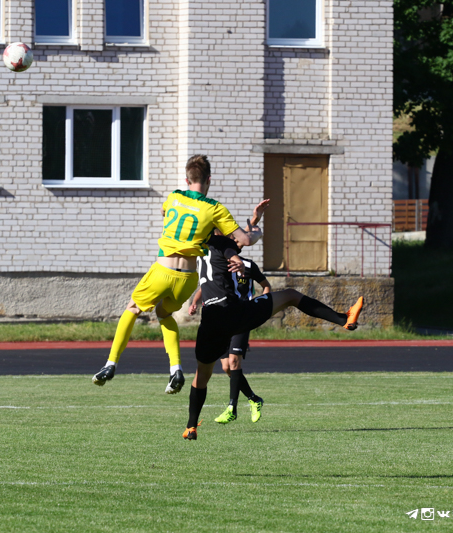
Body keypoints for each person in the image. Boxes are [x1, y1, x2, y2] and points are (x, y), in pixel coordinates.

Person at [92, 154, 267, 394]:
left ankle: (110, 364)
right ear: (209, 179)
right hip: (187, 279)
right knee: (164, 313)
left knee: (132, 308)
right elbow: (244, 240)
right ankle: (175, 369)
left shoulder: (174, 196)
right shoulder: (215, 208)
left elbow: (165, 212)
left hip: (162, 270)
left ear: (187, 179)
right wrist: (256, 230)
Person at [182, 232, 364, 440]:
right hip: (233, 312)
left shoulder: (197, 245)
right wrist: (239, 257)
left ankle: (191, 427)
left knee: (202, 376)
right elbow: (241, 243)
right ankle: (344, 319)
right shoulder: (221, 241)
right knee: (291, 295)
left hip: (210, 319)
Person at [188, 210, 271, 425]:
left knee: (234, 361)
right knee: (226, 366)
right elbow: (206, 283)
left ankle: (232, 407)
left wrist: (263, 305)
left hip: (240, 314)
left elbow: (246, 240)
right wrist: (195, 301)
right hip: (222, 316)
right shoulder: (216, 257)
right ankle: (254, 398)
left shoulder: (246, 264)